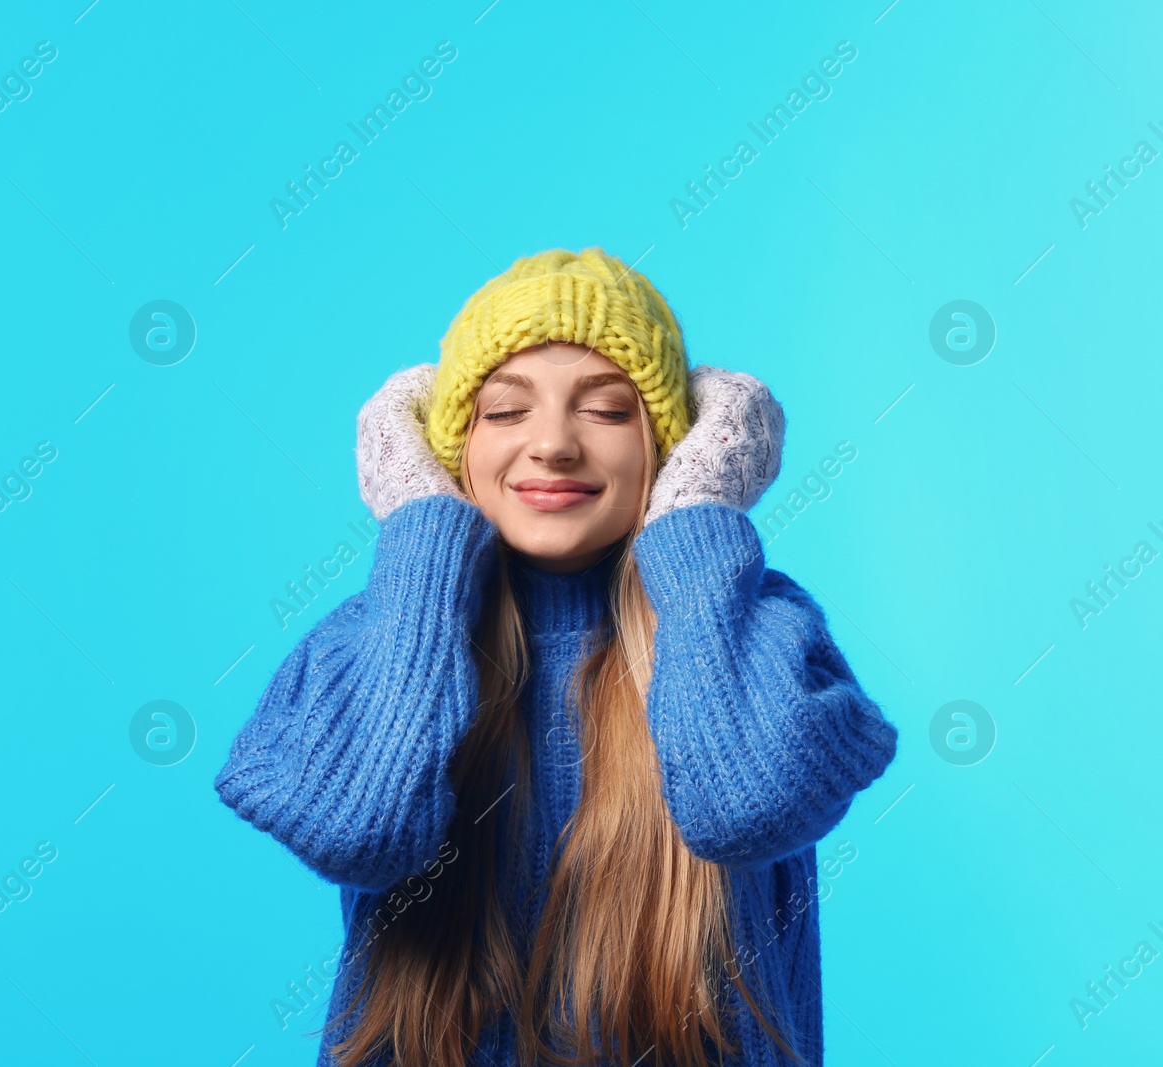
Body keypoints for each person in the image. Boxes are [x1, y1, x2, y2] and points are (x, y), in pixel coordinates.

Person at [214, 248, 899, 1067]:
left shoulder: (758, 628)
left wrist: (694, 515)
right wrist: (424, 534)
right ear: (445, 450)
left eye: (608, 412)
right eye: (504, 412)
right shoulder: (370, 639)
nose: (552, 446)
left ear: (676, 448)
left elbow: (744, 808)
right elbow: (361, 832)